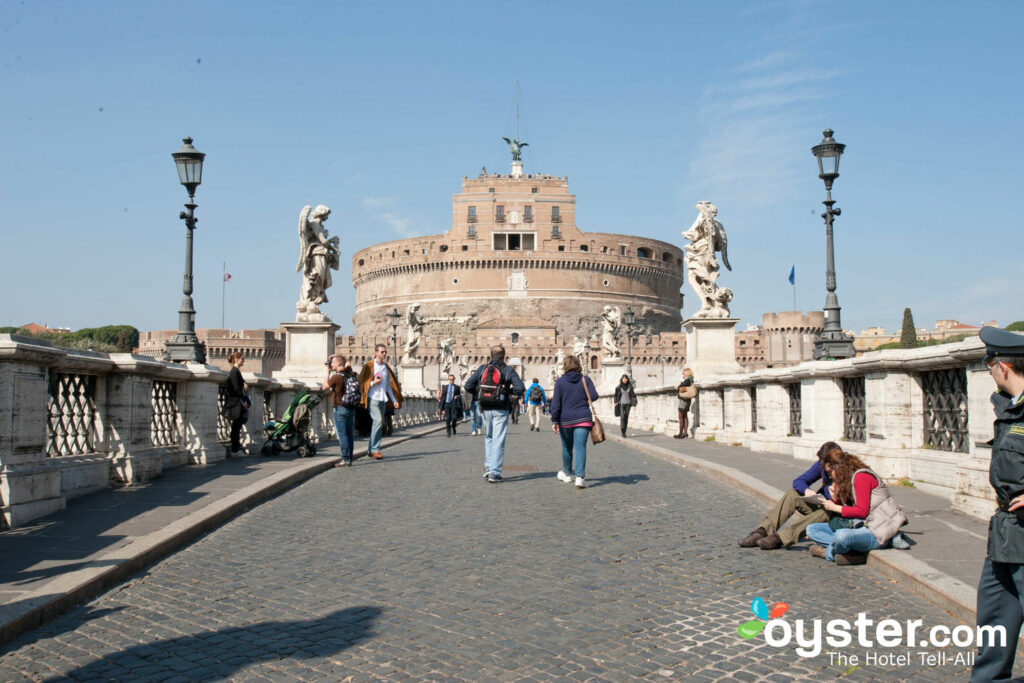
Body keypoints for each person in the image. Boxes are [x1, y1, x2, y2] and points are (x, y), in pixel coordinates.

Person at [972, 326, 1024, 682]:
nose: (989, 370)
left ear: (1002, 366)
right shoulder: (1010, 409)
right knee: (993, 627)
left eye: (989, 363)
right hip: (1004, 535)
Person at [805, 447, 906, 565]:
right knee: (812, 529)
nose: (830, 477)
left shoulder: (861, 477)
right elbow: (851, 510)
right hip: (859, 525)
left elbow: (862, 511)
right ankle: (848, 552)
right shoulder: (849, 480)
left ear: (837, 467)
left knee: (841, 536)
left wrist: (834, 507)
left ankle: (828, 553)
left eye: (829, 472)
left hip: (877, 531)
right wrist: (836, 498)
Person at [738, 441, 838, 550]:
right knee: (792, 494)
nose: (824, 468)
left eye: (826, 465)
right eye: (822, 464)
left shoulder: (849, 472)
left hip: (835, 514)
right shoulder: (822, 465)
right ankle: (762, 531)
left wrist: (834, 500)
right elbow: (799, 481)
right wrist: (806, 491)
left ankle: (779, 538)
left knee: (825, 512)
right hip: (823, 505)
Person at [464, 345, 525, 483]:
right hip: (500, 408)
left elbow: (467, 385)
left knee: (489, 437)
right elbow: (519, 388)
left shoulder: (482, 369)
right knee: (498, 439)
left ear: (490, 356)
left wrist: (480, 394)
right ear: (504, 357)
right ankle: (494, 473)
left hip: (485, 408)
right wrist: (509, 395)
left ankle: (489, 468)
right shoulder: (508, 370)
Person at [550, 355, 599, 489]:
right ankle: (579, 477)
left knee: (567, 447)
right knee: (580, 447)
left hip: (565, 420)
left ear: (564, 366)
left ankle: (566, 474)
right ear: (578, 365)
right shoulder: (585, 379)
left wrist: (554, 420)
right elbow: (594, 396)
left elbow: (555, 404)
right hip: (583, 418)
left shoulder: (559, 382)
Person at [358, 344, 403, 460]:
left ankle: (370, 449)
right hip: (372, 398)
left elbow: (389, 386)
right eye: (382, 352)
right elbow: (362, 383)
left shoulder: (385, 368)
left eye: (385, 352)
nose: (384, 354)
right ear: (376, 353)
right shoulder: (369, 366)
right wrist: (373, 383)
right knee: (378, 421)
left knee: (378, 423)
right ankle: (375, 449)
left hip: (382, 399)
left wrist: (394, 400)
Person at [323, 354, 359, 465]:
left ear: (339, 363)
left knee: (342, 435)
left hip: (340, 408)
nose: (331, 364)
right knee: (349, 435)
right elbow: (347, 361)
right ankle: (349, 458)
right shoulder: (349, 373)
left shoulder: (336, 377)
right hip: (351, 408)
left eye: (332, 362)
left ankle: (345, 459)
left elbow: (324, 387)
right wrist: (338, 356)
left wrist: (327, 372)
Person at [223, 352, 250, 455]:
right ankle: (235, 449)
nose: (244, 361)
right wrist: (243, 400)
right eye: (242, 359)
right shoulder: (234, 372)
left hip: (237, 402)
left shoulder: (236, 371)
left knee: (237, 426)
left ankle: (236, 447)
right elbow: (237, 389)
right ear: (237, 359)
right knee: (236, 426)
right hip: (235, 403)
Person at [675, 368, 695, 438]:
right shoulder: (691, 380)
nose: (683, 375)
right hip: (687, 400)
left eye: (683, 374)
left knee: (680, 416)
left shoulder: (687, 380)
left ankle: (680, 433)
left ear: (687, 373)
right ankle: (685, 433)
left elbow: (679, 387)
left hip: (683, 400)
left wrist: (680, 385)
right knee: (685, 416)